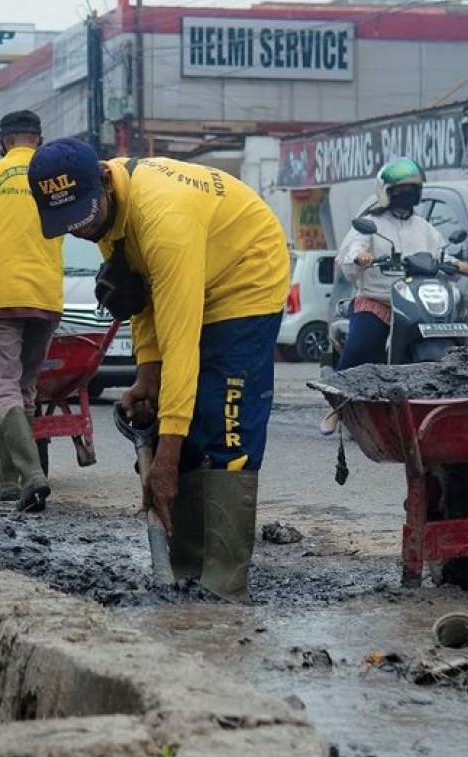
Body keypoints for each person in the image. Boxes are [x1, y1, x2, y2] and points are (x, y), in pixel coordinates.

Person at [28, 138, 289, 603]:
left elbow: (182, 344)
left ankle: (225, 585)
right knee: (182, 427)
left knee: (225, 422)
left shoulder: (164, 218)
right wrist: (148, 373)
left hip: (245, 277)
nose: (82, 231)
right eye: (70, 225)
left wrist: (164, 461)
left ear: (105, 180)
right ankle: (188, 571)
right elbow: (141, 296)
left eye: (86, 217)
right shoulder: (111, 215)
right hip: (193, 272)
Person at [319, 158, 468, 434]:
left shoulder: (425, 228)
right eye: (400, 189)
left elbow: (441, 254)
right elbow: (351, 251)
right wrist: (361, 256)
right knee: (363, 347)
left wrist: (456, 264)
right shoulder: (370, 224)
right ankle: (336, 405)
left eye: (412, 189)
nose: (407, 194)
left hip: (416, 302)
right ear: (386, 192)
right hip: (378, 301)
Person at [0, 111, 63, 512]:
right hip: (45, 295)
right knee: (25, 389)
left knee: (4, 386)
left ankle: (33, 474)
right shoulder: (53, 179)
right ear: (39, 140)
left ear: (3, 141)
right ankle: (8, 481)